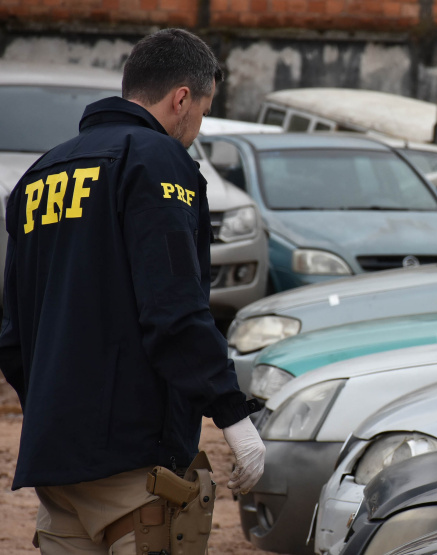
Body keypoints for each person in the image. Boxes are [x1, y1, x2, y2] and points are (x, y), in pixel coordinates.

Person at [0, 28, 266, 554]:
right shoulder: (157, 160)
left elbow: (13, 333)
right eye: (204, 113)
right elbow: (174, 310)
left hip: (56, 462)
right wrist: (233, 415)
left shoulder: (39, 174)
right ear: (182, 98)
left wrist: (57, 407)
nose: (196, 129)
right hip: (134, 463)